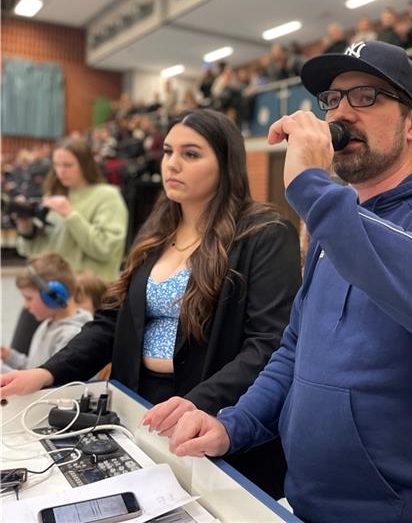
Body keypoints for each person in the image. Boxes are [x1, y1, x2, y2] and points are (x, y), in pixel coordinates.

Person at [165, 42, 412, 522]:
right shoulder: (337, 222)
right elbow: (295, 349)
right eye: (333, 99)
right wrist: (234, 424)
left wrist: (313, 187)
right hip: (309, 504)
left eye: (366, 96)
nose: (341, 112)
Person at [0, 109, 302, 498]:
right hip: (140, 405)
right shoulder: (157, 229)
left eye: (191, 154)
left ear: (226, 164)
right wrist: (45, 372)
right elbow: (111, 321)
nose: (172, 164)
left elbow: (268, 343)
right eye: (168, 151)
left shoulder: (264, 233)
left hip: (215, 412)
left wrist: (199, 402)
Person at [11, 138, 128, 356]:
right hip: (45, 290)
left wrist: (71, 215)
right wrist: (26, 228)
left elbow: (105, 248)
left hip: (84, 296)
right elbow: (32, 252)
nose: (61, 171)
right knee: (20, 355)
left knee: (68, 365)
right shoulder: (54, 195)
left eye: (68, 165)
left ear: (85, 164)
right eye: (57, 165)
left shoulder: (107, 196)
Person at [1, 254, 91, 372]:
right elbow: (35, 367)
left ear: (53, 296)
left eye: (29, 298)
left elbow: (48, 380)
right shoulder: (47, 323)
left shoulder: (71, 336)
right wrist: (10, 356)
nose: (26, 306)